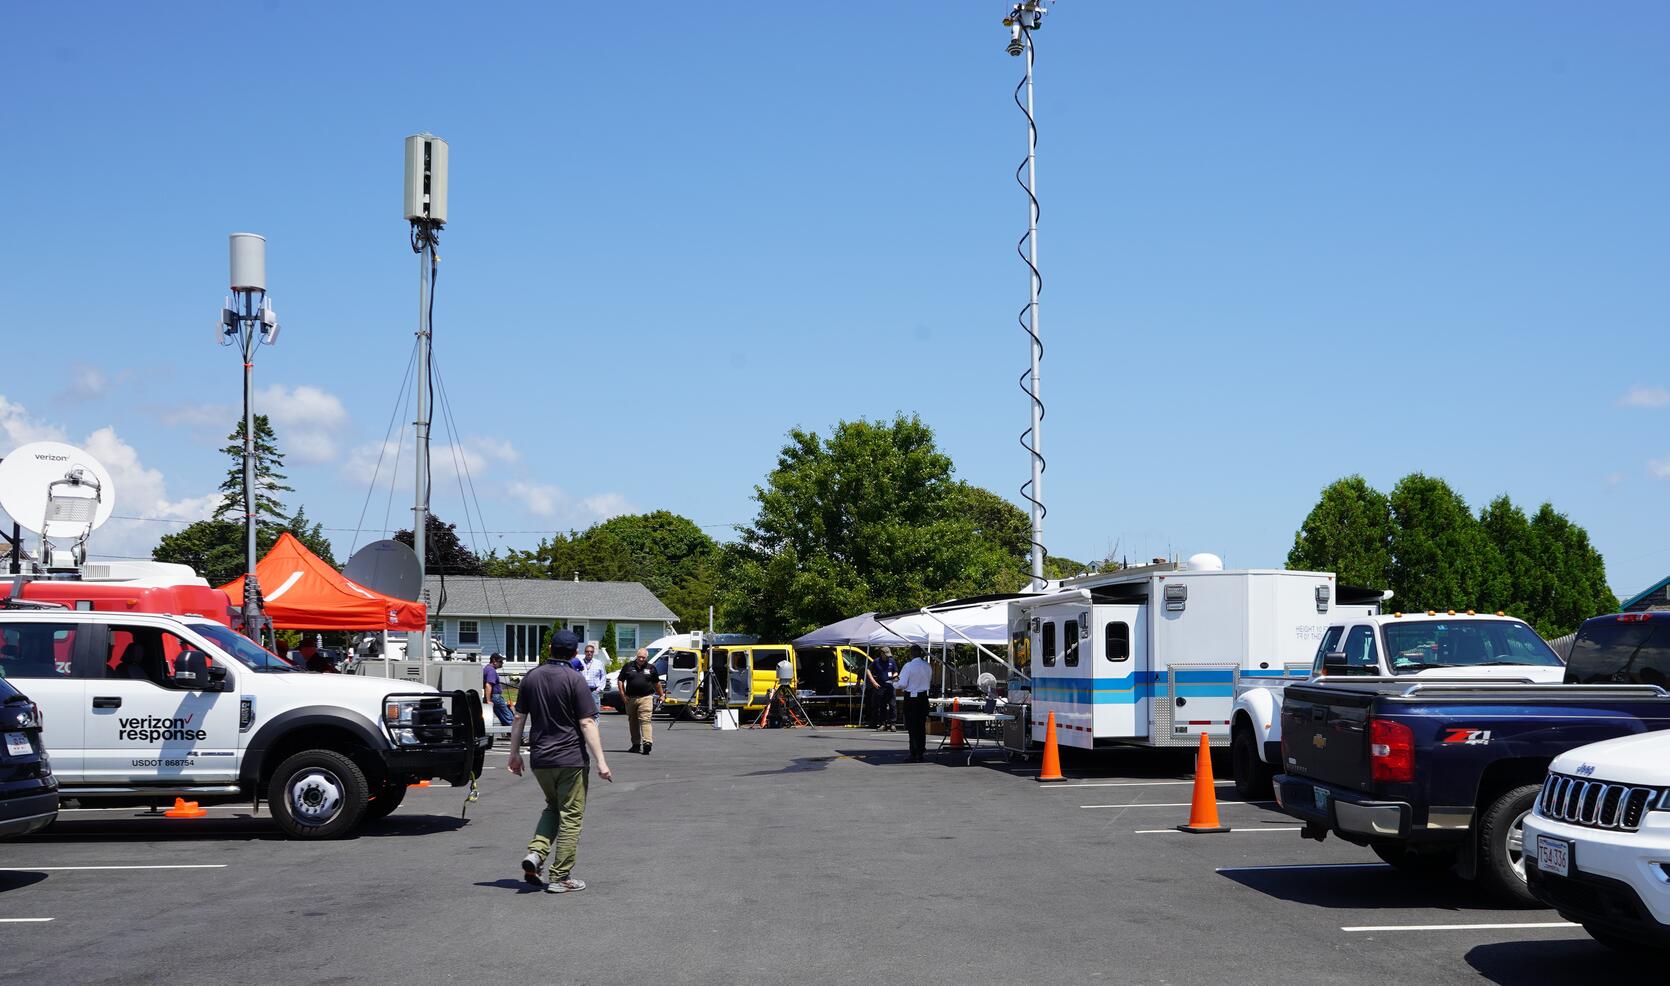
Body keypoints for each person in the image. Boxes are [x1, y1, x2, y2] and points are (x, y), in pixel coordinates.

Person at [507, 630, 612, 894]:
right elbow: (587, 722)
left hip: (541, 759)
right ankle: (560, 875)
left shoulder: (532, 677)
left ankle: (536, 853)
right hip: (571, 760)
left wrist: (514, 753)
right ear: (575, 653)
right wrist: (601, 761)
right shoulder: (575, 680)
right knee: (571, 816)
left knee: (553, 807)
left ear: (550, 648)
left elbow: (519, 718)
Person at [616, 648, 665, 754]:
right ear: (636, 656)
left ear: (647, 658)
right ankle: (636, 744)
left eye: (643, 657)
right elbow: (620, 680)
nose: (641, 659)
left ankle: (647, 742)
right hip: (631, 698)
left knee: (645, 719)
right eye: (639, 657)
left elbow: (657, 683)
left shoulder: (651, 668)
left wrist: (661, 694)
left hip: (646, 697)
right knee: (633, 722)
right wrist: (623, 695)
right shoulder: (628, 666)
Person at [897, 645, 933, 762]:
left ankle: (914, 752)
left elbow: (902, 684)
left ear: (911, 654)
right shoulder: (927, 666)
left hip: (912, 698)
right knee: (921, 726)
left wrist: (893, 684)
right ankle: (921, 751)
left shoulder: (908, 666)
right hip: (923, 697)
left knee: (912, 727)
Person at [866, 648, 898, 731]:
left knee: (892, 705)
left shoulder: (892, 661)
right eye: (886, 655)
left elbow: (896, 671)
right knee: (882, 706)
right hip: (880, 687)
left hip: (890, 687)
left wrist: (894, 676)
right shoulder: (876, 661)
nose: (887, 657)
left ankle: (892, 724)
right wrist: (873, 682)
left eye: (888, 656)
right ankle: (883, 724)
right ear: (882, 654)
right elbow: (868, 670)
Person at [483, 653, 514, 726]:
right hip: (495, 697)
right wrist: (488, 700)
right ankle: (519, 735)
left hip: (493, 697)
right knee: (509, 716)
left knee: (502, 717)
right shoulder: (491, 671)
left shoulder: (486, 668)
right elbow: (488, 685)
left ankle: (509, 733)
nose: (502, 663)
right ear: (494, 661)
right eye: (500, 661)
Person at [579, 643, 610, 711]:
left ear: (593, 653)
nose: (589, 653)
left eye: (591, 651)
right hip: (582, 691)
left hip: (594, 691)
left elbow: (603, 677)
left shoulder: (599, 663)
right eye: (587, 651)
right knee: (582, 712)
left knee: (595, 713)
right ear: (584, 652)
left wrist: (599, 690)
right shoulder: (580, 662)